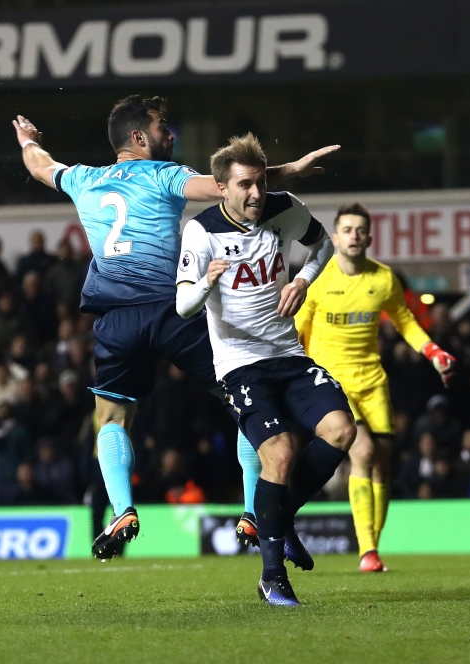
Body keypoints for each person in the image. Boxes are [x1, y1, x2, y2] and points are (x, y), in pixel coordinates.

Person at [12, 97, 336, 560]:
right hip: (174, 310)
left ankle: (122, 509)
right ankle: (251, 512)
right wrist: (292, 170)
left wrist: (27, 140)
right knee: (245, 394)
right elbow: (231, 187)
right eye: (163, 127)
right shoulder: (165, 176)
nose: (172, 134)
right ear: (139, 137)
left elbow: (41, 166)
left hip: (115, 321)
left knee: (111, 417)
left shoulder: (84, 178)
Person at [176, 133, 355, 606]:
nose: (256, 194)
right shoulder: (201, 231)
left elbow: (323, 247)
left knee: (341, 430)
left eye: (259, 183)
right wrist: (206, 283)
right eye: (245, 186)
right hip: (239, 365)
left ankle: (279, 515)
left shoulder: (284, 207)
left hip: (289, 356)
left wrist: (302, 279)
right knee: (278, 451)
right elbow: (182, 306)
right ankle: (272, 576)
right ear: (221, 188)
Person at [294, 201, 456, 573]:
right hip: (331, 384)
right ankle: (367, 550)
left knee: (382, 464)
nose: (353, 236)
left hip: (372, 383)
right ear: (335, 237)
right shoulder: (316, 279)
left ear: (368, 237)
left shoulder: (383, 278)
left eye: (359, 230)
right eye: (346, 230)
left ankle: (373, 546)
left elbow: (405, 321)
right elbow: (296, 333)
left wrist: (433, 352)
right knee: (363, 453)